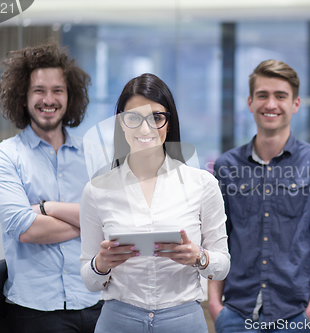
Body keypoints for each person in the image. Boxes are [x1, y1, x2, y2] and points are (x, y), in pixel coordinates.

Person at [79, 73, 230, 333]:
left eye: (156, 118)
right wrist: (102, 262)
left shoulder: (202, 184)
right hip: (118, 320)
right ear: (121, 124)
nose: (145, 129)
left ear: (169, 123)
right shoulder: (96, 191)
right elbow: (90, 281)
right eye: (133, 118)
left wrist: (199, 257)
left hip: (183, 319)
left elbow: (222, 266)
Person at [208, 60, 310, 333]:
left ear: (295, 104)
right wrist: (216, 307)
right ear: (250, 102)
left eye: (280, 96)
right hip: (235, 314)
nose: (271, 104)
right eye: (262, 95)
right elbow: (216, 241)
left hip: (295, 316)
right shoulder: (226, 166)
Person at [0, 43, 102, 333]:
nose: (48, 99)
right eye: (39, 90)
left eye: (57, 90)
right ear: (22, 98)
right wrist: (91, 222)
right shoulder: (3, 157)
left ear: (69, 97)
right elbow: (27, 230)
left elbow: (113, 219)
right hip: (37, 311)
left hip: (98, 299)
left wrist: (48, 209)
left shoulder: (94, 155)